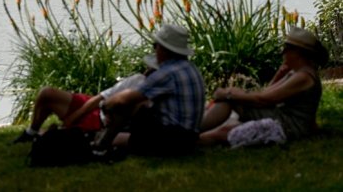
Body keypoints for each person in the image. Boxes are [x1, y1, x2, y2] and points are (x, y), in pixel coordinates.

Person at [199, 28, 328, 145]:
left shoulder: (303, 77)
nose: (282, 53)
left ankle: (191, 134)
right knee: (229, 104)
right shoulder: (296, 73)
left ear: (297, 52)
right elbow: (266, 93)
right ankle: (194, 132)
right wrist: (279, 75)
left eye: (285, 49)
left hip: (288, 126)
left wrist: (230, 94)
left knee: (224, 127)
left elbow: (264, 99)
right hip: (280, 119)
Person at [92, 24, 206, 157]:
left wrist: (105, 106)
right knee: (141, 105)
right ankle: (103, 144)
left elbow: (123, 100)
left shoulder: (166, 74)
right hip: (189, 139)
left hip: (172, 141)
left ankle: (101, 146)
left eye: (155, 46)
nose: (154, 50)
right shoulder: (190, 68)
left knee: (127, 105)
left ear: (163, 49)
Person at [12, 54, 159, 144]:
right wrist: (76, 115)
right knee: (46, 93)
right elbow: (100, 98)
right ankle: (31, 132)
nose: (147, 69)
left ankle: (39, 134)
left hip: (100, 121)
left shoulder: (156, 93)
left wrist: (71, 121)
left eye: (151, 68)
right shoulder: (138, 80)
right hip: (95, 108)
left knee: (54, 134)